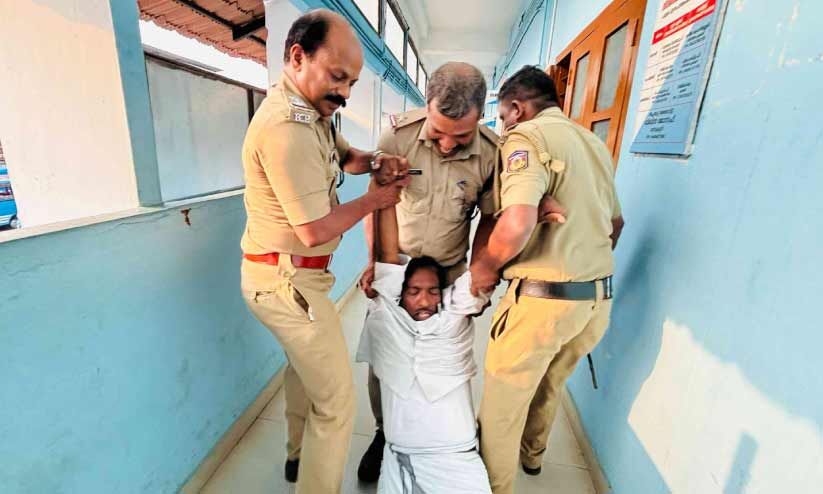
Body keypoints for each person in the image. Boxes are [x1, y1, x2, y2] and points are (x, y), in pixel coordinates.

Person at [239, 9, 410, 494]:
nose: (345, 92)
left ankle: (298, 457)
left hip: (286, 276)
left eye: (352, 82)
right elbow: (313, 230)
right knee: (336, 404)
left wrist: (375, 161)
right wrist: (377, 199)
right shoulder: (287, 128)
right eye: (338, 77)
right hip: (288, 282)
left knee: (303, 370)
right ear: (298, 56)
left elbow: (347, 156)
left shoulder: (311, 112)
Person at [470, 66, 625, 494]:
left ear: (517, 108)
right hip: (595, 302)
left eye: (503, 116)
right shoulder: (594, 144)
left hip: (542, 303)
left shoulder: (526, 138)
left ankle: (494, 487)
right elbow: (616, 224)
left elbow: (517, 221)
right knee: (551, 382)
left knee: (503, 405)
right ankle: (533, 456)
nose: (504, 125)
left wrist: (484, 268)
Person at [356, 61, 500, 482]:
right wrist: (373, 262)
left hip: (451, 270)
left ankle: (448, 434)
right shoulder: (397, 137)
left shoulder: (492, 153)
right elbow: (378, 202)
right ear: (427, 108)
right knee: (387, 358)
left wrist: (480, 273)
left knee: (449, 361)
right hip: (397, 264)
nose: (448, 145)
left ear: (481, 116)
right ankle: (385, 432)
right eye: (438, 133)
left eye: (462, 136)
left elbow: (490, 217)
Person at [355, 204, 493, 494]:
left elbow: (487, 264)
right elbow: (389, 257)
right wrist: (387, 195)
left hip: (457, 453)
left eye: (433, 292)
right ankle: (379, 439)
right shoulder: (389, 317)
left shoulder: (454, 319)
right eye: (414, 292)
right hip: (402, 453)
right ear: (400, 294)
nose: (424, 301)